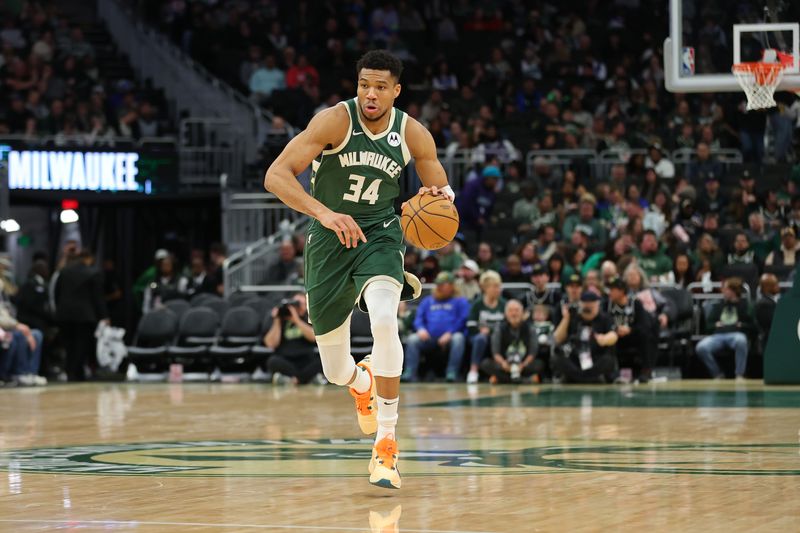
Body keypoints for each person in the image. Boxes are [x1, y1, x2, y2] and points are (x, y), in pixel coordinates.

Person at [264, 50, 453, 489]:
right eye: (365, 84)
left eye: (381, 86)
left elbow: (440, 192)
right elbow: (276, 176)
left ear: (396, 91)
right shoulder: (334, 120)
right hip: (329, 240)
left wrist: (440, 199)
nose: (371, 93)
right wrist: (323, 213)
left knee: (385, 321)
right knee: (334, 370)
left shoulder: (412, 133)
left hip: (380, 235)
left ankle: (386, 442)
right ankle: (360, 380)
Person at [403, 272, 469, 383]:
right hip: (428, 337)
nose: (439, 287)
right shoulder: (428, 300)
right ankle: (410, 371)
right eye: (438, 284)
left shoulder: (460, 301)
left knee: (458, 338)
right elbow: (418, 318)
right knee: (412, 339)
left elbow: (462, 320)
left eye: (443, 284)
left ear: (452, 285)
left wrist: (450, 333)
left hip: (449, 337)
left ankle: (452, 372)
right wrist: (421, 329)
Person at [55, 249, 109, 381]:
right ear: (89, 258)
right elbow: (97, 298)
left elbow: (57, 293)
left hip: (64, 315)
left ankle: (69, 371)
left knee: (68, 345)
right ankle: (78, 373)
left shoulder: (64, 271)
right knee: (82, 344)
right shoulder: (93, 273)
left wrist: (59, 310)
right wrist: (104, 316)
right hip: (85, 315)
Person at [552, 291, 618, 383]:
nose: (588, 307)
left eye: (591, 305)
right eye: (585, 304)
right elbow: (557, 338)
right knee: (557, 357)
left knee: (609, 360)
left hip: (596, 358)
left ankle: (578, 377)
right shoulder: (572, 317)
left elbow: (613, 335)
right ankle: (587, 378)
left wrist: (604, 339)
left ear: (597, 305)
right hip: (575, 359)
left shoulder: (605, 318)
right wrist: (566, 318)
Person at [695, 277, 754, 380]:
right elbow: (708, 326)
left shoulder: (745, 306)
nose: (723, 291)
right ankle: (717, 374)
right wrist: (714, 325)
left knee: (741, 340)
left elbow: (752, 326)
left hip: (736, 334)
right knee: (701, 347)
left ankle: (739, 374)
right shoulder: (718, 306)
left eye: (726, 289)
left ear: (733, 291)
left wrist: (742, 326)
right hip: (718, 335)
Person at [264, 292, 324, 385]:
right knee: (272, 361)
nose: (299, 307)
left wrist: (296, 320)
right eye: (296, 303)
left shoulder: (309, 318)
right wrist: (277, 320)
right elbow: (270, 344)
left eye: (302, 304)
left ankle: (292, 380)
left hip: (306, 358)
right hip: (286, 358)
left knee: (322, 360)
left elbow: (313, 337)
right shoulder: (281, 319)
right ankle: (306, 379)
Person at [480, 300, 542, 384]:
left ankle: (501, 379)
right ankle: (526, 380)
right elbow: (495, 353)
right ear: (505, 314)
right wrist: (504, 364)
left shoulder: (530, 328)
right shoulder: (499, 329)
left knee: (540, 364)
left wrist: (523, 365)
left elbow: (533, 352)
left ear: (522, 313)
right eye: (510, 311)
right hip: (505, 364)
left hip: (523, 364)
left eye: (516, 310)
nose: (514, 314)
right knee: (485, 364)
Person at [606, 276, 652, 382]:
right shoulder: (607, 304)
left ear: (622, 291)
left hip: (632, 336)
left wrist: (630, 330)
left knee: (645, 335)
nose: (610, 292)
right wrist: (616, 329)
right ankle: (609, 371)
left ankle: (646, 370)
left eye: (613, 289)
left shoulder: (635, 303)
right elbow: (603, 323)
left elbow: (644, 324)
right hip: (614, 337)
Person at [465, 270, 506, 384]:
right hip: (479, 336)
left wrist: (491, 330)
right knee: (481, 338)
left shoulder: (504, 304)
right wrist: (480, 329)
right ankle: (473, 370)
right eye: (495, 286)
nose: (499, 289)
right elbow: (470, 324)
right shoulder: (477, 304)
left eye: (499, 286)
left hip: (498, 336)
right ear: (486, 288)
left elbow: (507, 324)